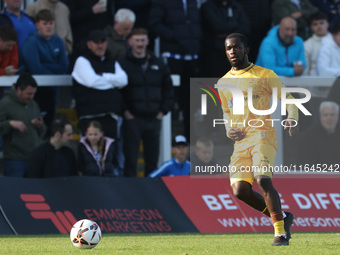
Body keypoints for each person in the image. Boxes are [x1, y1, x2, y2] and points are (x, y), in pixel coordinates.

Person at [218, 33, 298, 245]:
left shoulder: (264, 74)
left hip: (263, 135)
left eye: (236, 47)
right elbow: (226, 113)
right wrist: (228, 130)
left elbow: (288, 98)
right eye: (228, 48)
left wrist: (292, 117)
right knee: (240, 191)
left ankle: (280, 234)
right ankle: (283, 217)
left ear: (246, 49)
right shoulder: (223, 83)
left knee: (263, 179)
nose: (232, 51)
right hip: (241, 142)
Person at [119, 28, 174, 177]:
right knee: (130, 160)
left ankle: (151, 193)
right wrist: (125, 112)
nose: (140, 44)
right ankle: (129, 191)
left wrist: (163, 111)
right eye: (137, 40)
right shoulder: (123, 64)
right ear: (130, 42)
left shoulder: (159, 64)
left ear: (148, 41)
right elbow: (117, 92)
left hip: (153, 119)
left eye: (143, 40)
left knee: (152, 160)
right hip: (132, 119)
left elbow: (168, 88)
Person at [149, 0, 202, 141]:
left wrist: (196, 38)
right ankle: (169, 138)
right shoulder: (164, 3)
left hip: (192, 56)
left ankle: (190, 138)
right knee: (171, 96)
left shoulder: (194, 3)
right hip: (172, 56)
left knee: (191, 99)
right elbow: (155, 23)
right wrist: (174, 36)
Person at [22, 9, 69, 130]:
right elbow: (36, 70)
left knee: (50, 123)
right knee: (37, 125)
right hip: (36, 92)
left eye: (51, 23)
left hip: (53, 91)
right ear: (37, 25)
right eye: (45, 23)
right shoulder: (31, 43)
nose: (48, 27)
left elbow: (64, 67)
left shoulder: (58, 41)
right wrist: (54, 67)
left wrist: (45, 65)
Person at [0, 73, 46, 177]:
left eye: (33, 94)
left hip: (34, 158)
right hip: (15, 159)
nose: (31, 97)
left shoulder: (33, 104)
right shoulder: (5, 104)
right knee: (14, 192)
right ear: (19, 89)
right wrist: (10, 123)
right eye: (28, 93)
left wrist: (39, 125)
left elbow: (42, 131)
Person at [200, 0, 250, 78]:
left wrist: (226, 33)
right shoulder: (207, 6)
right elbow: (218, 27)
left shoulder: (236, 6)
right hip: (214, 53)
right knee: (212, 85)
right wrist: (235, 26)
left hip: (234, 55)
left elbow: (246, 27)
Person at [303, 12, 333, 122]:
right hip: (315, 94)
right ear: (311, 27)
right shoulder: (307, 45)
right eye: (315, 24)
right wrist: (305, 95)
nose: (319, 26)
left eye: (322, 23)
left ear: (327, 24)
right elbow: (305, 71)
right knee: (318, 124)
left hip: (335, 90)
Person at [297, 101, 340, 166]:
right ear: (320, 117)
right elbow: (304, 165)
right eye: (325, 115)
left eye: (332, 115)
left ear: (337, 117)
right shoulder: (309, 137)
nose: (329, 118)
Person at [0, 0, 36, 65]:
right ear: (4, 0)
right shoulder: (1, 19)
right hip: (12, 68)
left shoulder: (31, 18)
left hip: (34, 65)